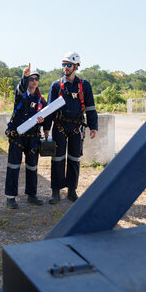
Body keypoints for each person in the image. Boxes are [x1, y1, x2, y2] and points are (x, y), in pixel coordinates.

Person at [43, 51, 98, 203]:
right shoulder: (56, 85)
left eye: (68, 65)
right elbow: (49, 109)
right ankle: (56, 192)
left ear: (76, 66)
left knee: (74, 159)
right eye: (63, 64)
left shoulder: (84, 85)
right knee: (57, 159)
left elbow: (90, 108)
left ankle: (72, 191)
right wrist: (46, 128)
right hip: (59, 126)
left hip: (76, 128)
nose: (65, 67)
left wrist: (93, 126)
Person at [4, 64, 47, 209]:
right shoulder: (20, 95)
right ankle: (10, 197)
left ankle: (32, 195)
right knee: (13, 166)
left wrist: (44, 122)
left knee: (32, 167)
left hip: (33, 139)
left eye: (36, 79)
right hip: (17, 137)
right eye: (31, 79)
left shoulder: (41, 101)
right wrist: (24, 76)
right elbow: (20, 87)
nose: (34, 81)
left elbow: (47, 116)